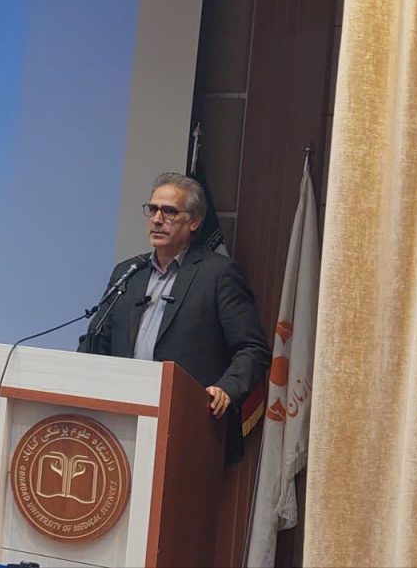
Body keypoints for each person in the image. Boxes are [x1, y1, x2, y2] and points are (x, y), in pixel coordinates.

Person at [77, 172, 271, 461]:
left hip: (189, 427)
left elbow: (253, 348)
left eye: (169, 211)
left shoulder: (218, 274)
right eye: (153, 209)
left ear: (194, 222)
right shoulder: (128, 273)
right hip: (121, 424)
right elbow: (97, 340)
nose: (157, 219)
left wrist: (226, 389)